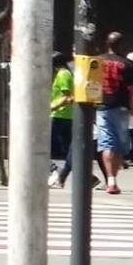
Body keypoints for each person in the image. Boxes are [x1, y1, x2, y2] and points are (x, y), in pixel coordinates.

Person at [95, 33, 133, 194]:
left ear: (106, 43)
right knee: (120, 145)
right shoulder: (128, 64)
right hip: (121, 107)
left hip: (102, 106)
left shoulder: (97, 61)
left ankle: (111, 180)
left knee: (107, 143)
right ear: (122, 45)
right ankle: (113, 179)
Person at [48, 52, 74, 187]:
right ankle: (63, 173)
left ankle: (55, 171)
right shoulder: (65, 73)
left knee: (44, 146)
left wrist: (52, 107)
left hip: (60, 115)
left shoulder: (63, 74)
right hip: (64, 115)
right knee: (69, 148)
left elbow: (67, 97)